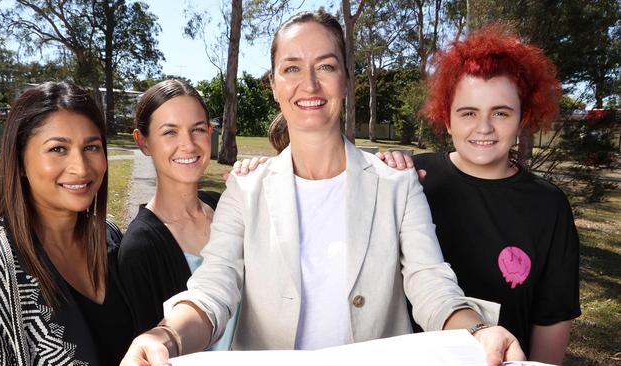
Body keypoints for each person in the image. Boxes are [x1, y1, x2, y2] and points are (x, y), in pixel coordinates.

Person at [120, 11, 523, 366]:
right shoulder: (246, 188)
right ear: (274, 85)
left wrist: (477, 331)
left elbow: (430, 283)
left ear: (346, 79)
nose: (309, 84)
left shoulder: (396, 183)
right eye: (292, 68)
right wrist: (166, 336)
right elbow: (214, 289)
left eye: (326, 66)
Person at [371, 25, 581, 365]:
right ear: (448, 118)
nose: (484, 127)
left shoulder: (548, 206)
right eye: (468, 113)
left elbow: (551, 321)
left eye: (500, 112)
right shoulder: (411, 180)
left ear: (523, 118)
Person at [0, 82, 134, 365]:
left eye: (92, 147)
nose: (81, 168)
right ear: (20, 162)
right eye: (58, 148)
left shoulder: (108, 236)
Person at [117, 79, 237, 350]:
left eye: (197, 130)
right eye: (170, 132)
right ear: (143, 141)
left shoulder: (225, 207)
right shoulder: (140, 248)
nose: (188, 145)